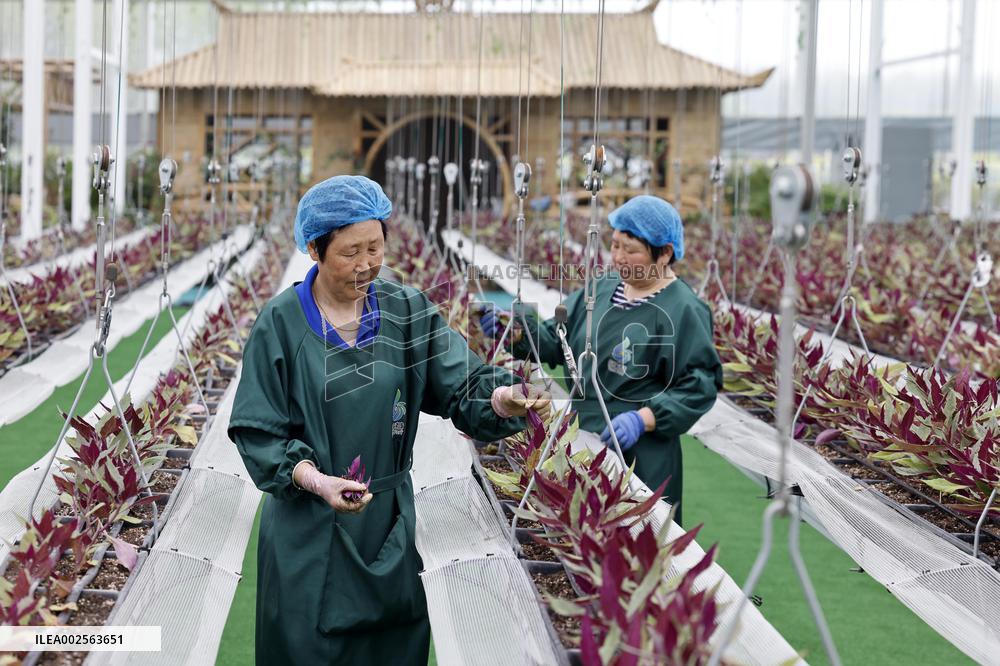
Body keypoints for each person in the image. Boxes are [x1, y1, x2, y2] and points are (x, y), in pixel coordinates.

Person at [228, 175, 551, 665]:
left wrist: (504, 398)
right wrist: (316, 481)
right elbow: (259, 433)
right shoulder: (280, 324)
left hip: (387, 527)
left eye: (375, 247)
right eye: (350, 252)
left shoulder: (407, 311)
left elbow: (463, 385)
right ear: (314, 249)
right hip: (307, 535)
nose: (366, 265)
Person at [482, 195, 721, 524]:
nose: (620, 258)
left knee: (639, 539)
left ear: (665, 253)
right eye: (615, 246)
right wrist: (517, 332)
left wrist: (644, 419)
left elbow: (700, 385)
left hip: (644, 452)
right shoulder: (602, 290)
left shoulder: (684, 309)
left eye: (631, 250)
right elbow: (557, 341)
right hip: (584, 441)